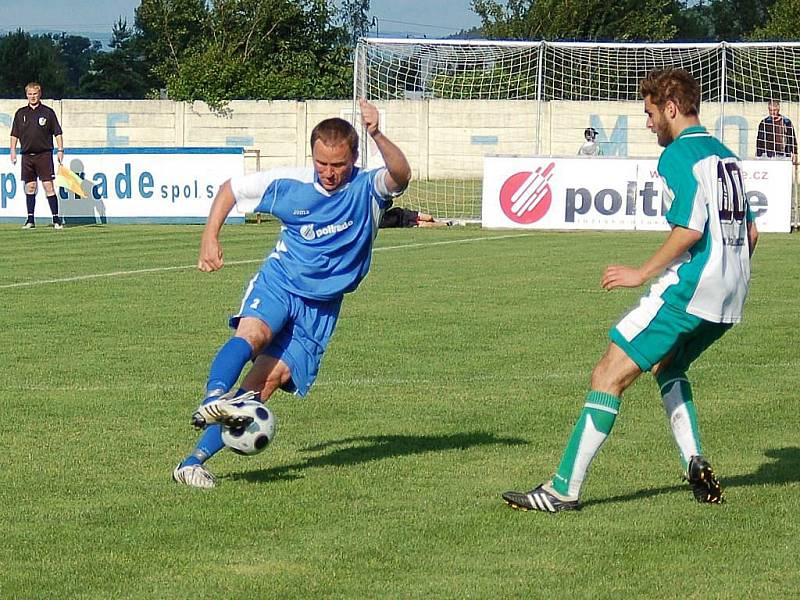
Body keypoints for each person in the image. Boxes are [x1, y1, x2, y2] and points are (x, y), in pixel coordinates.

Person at [502, 68, 758, 513]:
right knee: (668, 365)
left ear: (671, 109)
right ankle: (693, 459)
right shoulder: (723, 155)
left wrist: (641, 273)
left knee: (608, 373)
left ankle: (563, 489)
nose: (647, 123)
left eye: (650, 113)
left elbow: (689, 230)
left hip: (693, 288)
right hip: (733, 291)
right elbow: (751, 233)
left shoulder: (679, 155)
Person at [173, 99, 412, 489]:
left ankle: (192, 463)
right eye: (321, 163)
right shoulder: (290, 184)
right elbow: (230, 189)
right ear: (312, 155)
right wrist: (209, 237)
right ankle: (214, 396)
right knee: (253, 336)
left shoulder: (368, 187)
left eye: (338, 165)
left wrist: (376, 133)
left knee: (262, 386)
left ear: (353, 159)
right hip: (281, 282)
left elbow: (401, 174)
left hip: (321, 307)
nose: (329, 173)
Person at [9, 82, 65, 229]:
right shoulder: (21, 113)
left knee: (48, 186)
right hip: (27, 155)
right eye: (29, 94)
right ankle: (30, 220)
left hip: (44, 155)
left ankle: (56, 219)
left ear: (40, 94)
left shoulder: (48, 112)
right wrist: (13, 151)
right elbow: (14, 134)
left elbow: (57, 132)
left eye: (35, 94)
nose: (32, 97)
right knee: (30, 187)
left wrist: (60, 150)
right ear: (26, 95)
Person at [755, 100, 797, 164]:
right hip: (768, 155)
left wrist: (794, 153)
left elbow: (792, 138)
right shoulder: (764, 122)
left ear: (778, 109)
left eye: (775, 110)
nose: (772, 112)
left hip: (784, 154)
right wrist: (758, 155)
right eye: (770, 110)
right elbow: (759, 140)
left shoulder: (786, 122)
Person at [379, 202, 458, 228]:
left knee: (429, 218)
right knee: (426, 224)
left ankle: (438, 222)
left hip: (403, 214)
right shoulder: (377, 225)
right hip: (403, 223)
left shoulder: (378, 211)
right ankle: (446, 224)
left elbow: (389, 203)